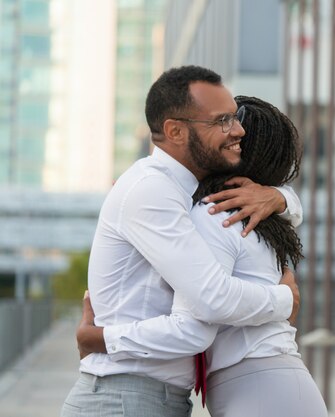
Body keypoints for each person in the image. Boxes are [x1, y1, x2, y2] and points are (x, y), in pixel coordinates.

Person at [61, 66, 303, 417]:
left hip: (146, 397)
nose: (238, 130)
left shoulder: (191, 192)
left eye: (234, 118)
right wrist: (284, 299)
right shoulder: (153, 190)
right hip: (123, 397)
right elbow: (211, 302)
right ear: (175, 130)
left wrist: (281, 198)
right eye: (222, 121)